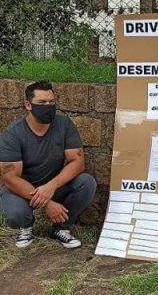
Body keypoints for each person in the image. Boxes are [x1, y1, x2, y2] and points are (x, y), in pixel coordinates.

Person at [0, 81, 96, 248]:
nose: (48, 106)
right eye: (42, 103)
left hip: (54, 186)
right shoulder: (13, 133)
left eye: (52, 102)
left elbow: (78, 162)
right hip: (22, 190)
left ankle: (61, 228)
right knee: (16, 215)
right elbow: (10, 178)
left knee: (86, 182)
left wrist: (51, 186)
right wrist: (47, 203)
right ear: (28, 105)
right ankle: (26, 225)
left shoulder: (64, 124)